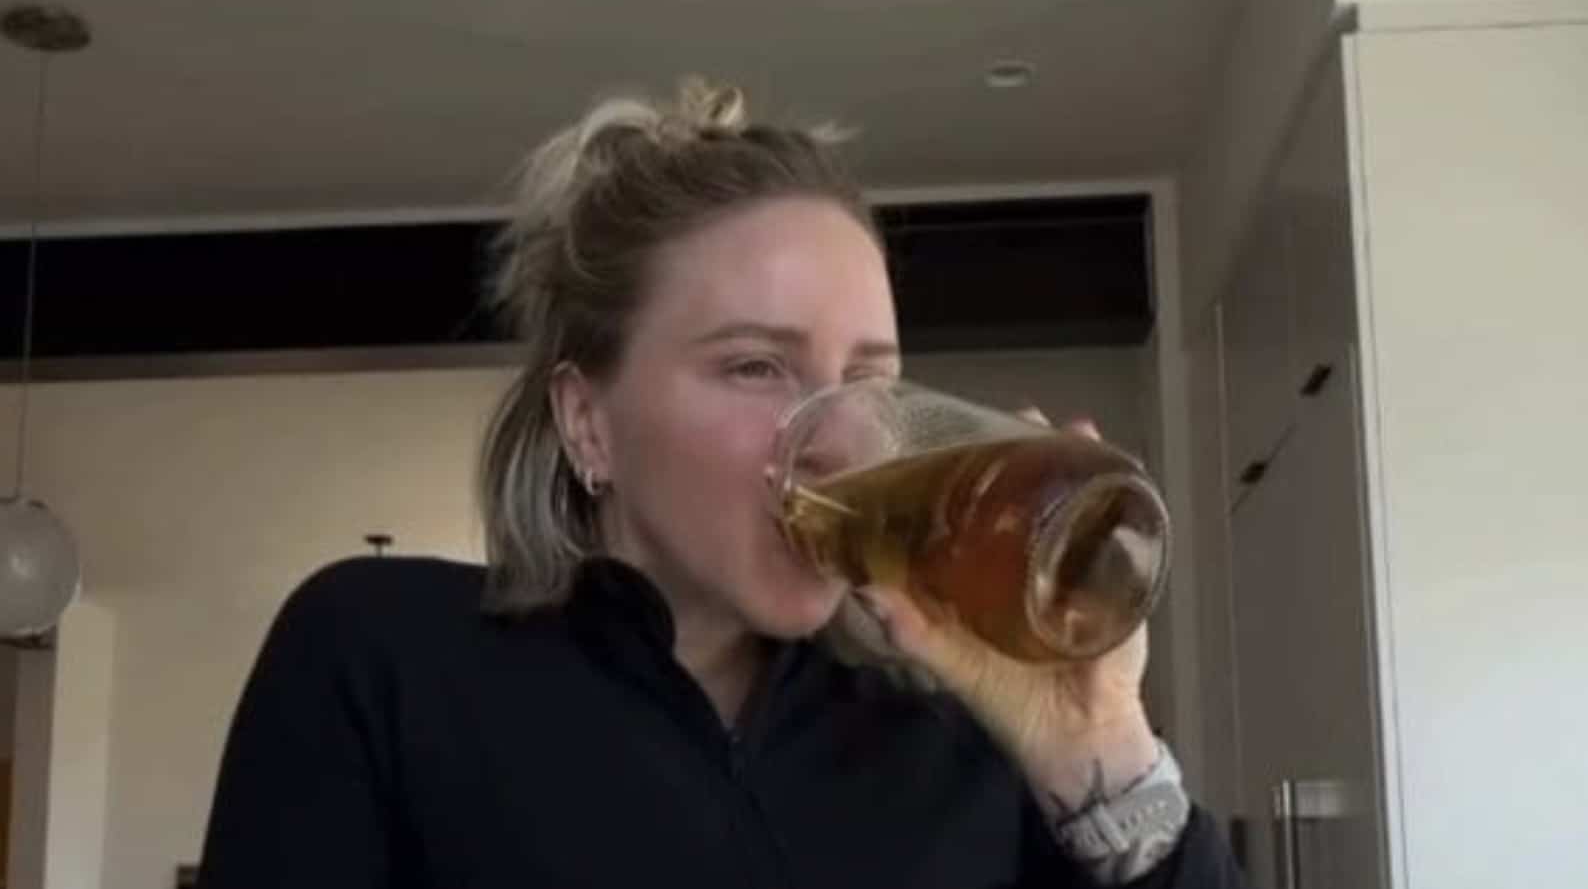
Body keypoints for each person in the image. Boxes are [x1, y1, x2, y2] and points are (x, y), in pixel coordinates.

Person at [197, 79, 1243, 888]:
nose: (837, 438)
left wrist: (1101, 757)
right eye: (755, 365)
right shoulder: (386, 659)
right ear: (586, 419)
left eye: (868, 378)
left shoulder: (953, 742)